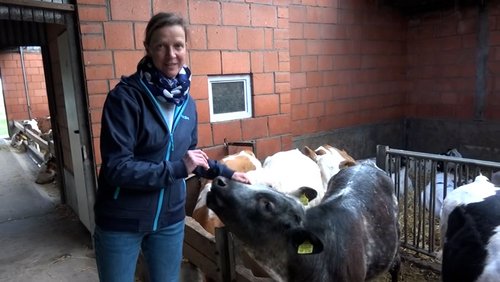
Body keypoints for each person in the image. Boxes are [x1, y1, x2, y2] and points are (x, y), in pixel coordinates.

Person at [93, 12, 250, 282]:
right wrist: (177, 169)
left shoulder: (187, 104)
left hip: (169, 220)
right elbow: (117, 168)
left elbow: (191, 156)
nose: (171, 54)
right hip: (122, 220)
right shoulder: (125, 98)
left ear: (186, 48)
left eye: (178, 45)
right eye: (161, 46)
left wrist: (225, 172)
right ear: (148, 49)